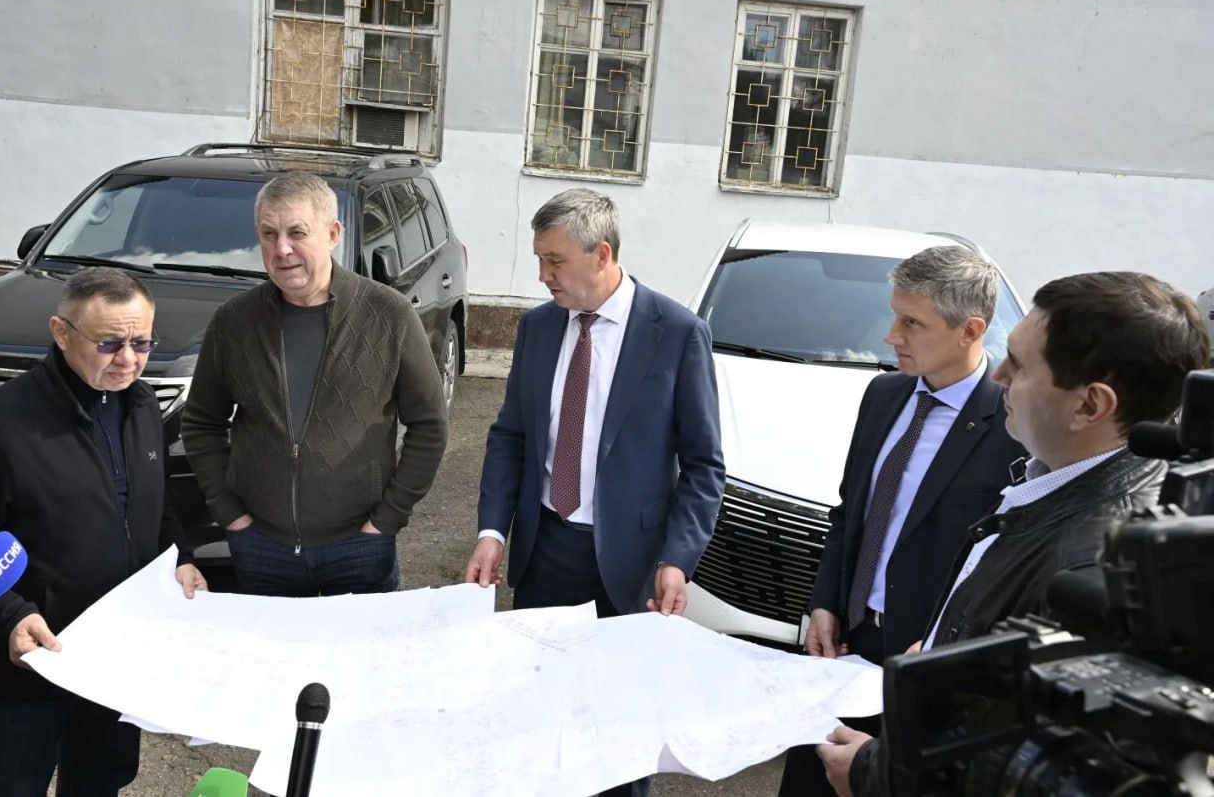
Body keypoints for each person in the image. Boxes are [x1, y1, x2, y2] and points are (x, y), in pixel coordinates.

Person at [819, 271, 1211, 797]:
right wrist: (941, 644)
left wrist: (872, 774)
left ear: (1090, 406)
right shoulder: (1057, 483)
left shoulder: (1091, 568)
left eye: (1020, 365)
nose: (999, 374)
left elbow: (1022, 763)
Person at [464, 188, 724, 797]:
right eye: (539, 258)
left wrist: (677, 559)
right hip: (544, 553)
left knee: (619, 740)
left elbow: (704, 466)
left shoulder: (676, 333)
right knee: (537, 722)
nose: (542, 274)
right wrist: (493, 529)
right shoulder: (538, 328)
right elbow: (510, 436)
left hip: (631, 570)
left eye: (555, 260)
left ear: (601, 254)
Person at [0, 266, 203, 796]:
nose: (128, 360)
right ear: (61, 332)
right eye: (109, 343)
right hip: (30, 663)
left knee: (101, 781)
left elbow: (154, 508)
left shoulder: (143, 406)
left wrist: (182, 557)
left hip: (116, 658)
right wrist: (8, 616)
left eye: (142, 343)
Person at [780, 245, 1026, 796]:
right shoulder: (883, 394)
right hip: (844, 647)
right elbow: (849, 512)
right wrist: (824, 603)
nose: (892, 336)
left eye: (912, 323)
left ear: (970, 330)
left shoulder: (1012, 424)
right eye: (895, 317)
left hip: (926, 665)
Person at [182, 171, 447, 597]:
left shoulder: (388, 315)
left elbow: (430, 425)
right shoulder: (234, 322)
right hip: (261, 545)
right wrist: (230, 513)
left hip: (360, 544)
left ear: (333, 234)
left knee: (362, 643)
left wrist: (387, 518)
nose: (281, 249)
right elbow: (200, 423)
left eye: (297, 233)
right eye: (269, 234)